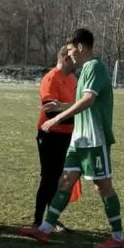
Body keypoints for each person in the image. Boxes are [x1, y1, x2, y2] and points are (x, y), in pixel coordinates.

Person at [19, 28, 124, 248]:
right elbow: (81, 101)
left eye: (70, 50)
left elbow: (88, 100)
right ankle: (44, 230)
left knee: (102, 187)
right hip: (79, 140)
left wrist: (59, 117)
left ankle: (118, 237)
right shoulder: (84, 70)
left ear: (80, 47)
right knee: (66, 181)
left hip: (94, 139)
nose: (69, 55)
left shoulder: (95, 67)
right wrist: (62, 106)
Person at [33, 46, 78, 228]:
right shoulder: (50, 79)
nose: (78, 62)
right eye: (74, 58)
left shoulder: (73, 78)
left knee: (60, 178)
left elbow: (75, 105)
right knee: (48, 178)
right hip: (50, 136)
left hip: (67, 136)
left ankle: (51, 218)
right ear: (66, 59)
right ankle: (37, 220)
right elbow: (51, 114)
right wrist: (78, 114)